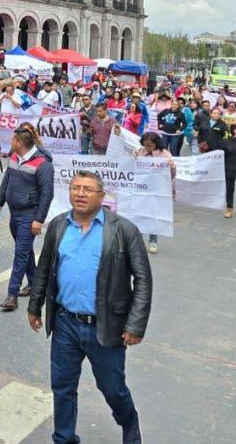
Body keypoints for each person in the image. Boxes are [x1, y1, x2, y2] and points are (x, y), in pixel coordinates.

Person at [28, 170, 151, 444]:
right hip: (65, 325)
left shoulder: (124, 230)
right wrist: (34, 306)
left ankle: (129, 422)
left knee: (113, 389)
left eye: (87, 189)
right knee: (62, 387)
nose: (80, 194)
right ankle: (64, 438)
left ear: (102, 196)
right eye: (75, 188)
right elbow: (45, 267)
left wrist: (135, 325)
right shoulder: (59, 225)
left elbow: (143, 279)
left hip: (106, 326)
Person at [0, 126, 54, 312]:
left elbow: (47, 194)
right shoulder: (13, 157)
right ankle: (35, 283)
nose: (10, 142)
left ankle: (12, 295)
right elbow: (6, 181)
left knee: (20, 253)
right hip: (14, 213)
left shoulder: (43, 165)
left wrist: (39, 219)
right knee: (24, 250)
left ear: (20, 143)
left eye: (13, 140)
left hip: (29, 216)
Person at [136, 132, 173, 254]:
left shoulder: (165, 155)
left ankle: (153, 240)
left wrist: (172, 167)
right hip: (140, 189)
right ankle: (137, 241)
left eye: (150, 145)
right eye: (145, 145)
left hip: (156, 190)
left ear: (156, 144)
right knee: (139, 215)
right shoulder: (140, 152)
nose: (148, 148)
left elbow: (172, 176)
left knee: (153, 215)